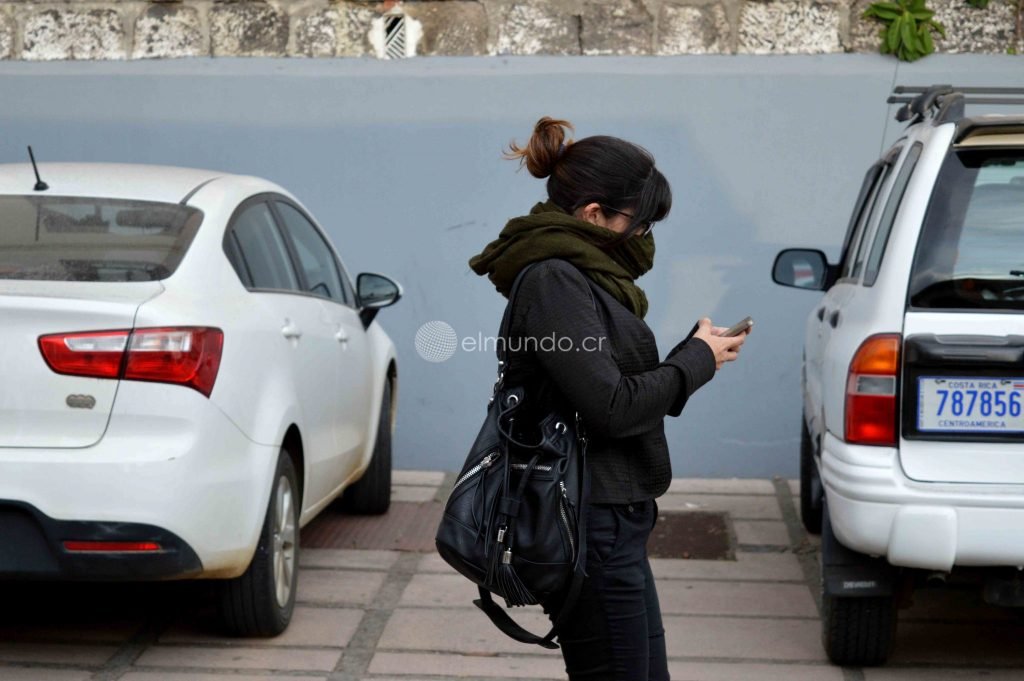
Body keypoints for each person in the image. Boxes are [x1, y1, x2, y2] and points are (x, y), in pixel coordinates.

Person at [468, 117, 748, 681]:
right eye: (639, 223)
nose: (645, 237)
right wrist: (694, 363)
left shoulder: (586, 277)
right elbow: (611, 407)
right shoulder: (554, 280)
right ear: (593, 214)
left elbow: (604, 384)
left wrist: (692, 355)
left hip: (613, 519)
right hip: (586, 525)